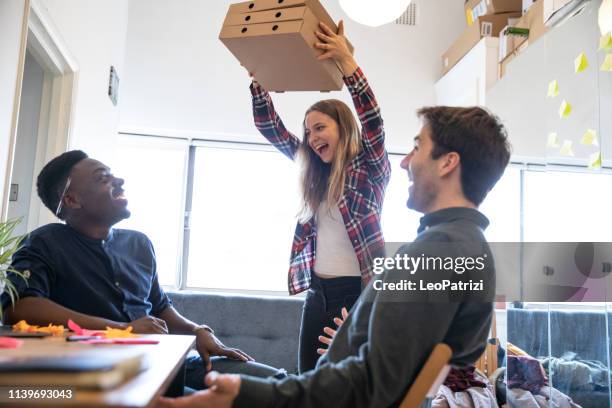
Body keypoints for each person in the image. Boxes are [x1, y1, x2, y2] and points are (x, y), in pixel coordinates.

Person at [156, 105, 512, 408]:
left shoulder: (440, 250)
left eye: (418, 147)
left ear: (448, 162)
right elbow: (398, 353)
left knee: (174, 384)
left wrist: (248, 395)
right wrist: (358, 329)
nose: (405, 162)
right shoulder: (460, 244)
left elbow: (373, 384)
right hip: (329, 382)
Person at [1, 150, 284, 391]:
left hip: (175, 360)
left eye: (112, 174)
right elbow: (20, 306)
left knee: (282, 387)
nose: (119, 180)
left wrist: (196, 330)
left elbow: (160, 307)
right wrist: (123, 329)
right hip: (110, 372)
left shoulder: (139, 243)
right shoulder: (44, 243)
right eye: (103, 178)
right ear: (72, 200)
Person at [249, 20, 391, 373]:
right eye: (308, 131)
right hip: (317, 295)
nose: (311, 138)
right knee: (308, 384)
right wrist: (259, 82)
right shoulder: (315, 173)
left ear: (343, 129)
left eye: (320, 128)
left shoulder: (370, 170)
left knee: (348, 387)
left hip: (354, 296)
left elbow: (373, 119)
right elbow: (271, 129)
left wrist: (347, 64)